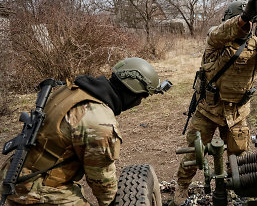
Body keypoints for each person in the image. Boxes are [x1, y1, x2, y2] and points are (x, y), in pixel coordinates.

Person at [0, 57, 167, 206]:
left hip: (14, 172)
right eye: (142, 96)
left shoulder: (74, 90)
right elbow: (102, 182)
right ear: (134, 93)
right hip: (38, 192)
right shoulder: (99, 121)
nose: (140, 101)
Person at [172, 0, 257, 205]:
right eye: (240, 23)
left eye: (249, 24)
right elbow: (218, 33)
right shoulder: (216, 39)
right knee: (194, 154)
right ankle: (182, 186)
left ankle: (234, 187)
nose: (246, 28)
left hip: (237, 112)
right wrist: (244, 19)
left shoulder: (255, 44)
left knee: (238, 157)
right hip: (208, 110)